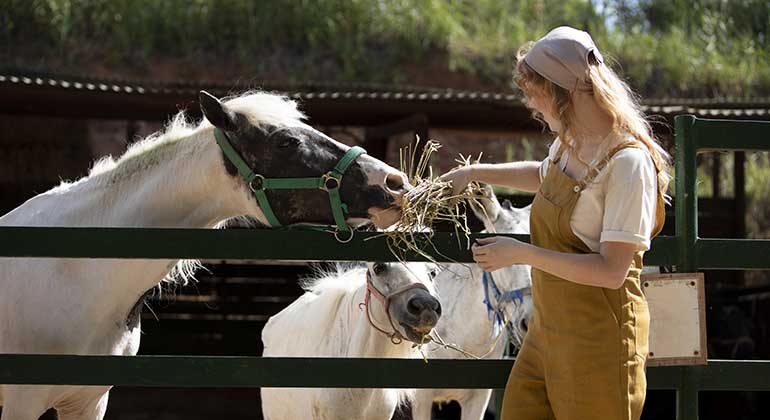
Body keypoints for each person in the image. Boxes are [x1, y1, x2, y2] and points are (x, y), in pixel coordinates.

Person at [441, 26, 669, 420]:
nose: (533, 106)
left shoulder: (628, 165)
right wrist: (476, 172)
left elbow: (612, 271)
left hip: (599, 345)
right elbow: (544, 177)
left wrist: (521, 253)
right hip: (546, 335)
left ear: (565, 94)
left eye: (537, 95)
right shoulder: (571, 143)